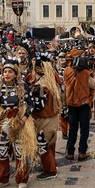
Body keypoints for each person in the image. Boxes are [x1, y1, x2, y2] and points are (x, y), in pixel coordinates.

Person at [0, 59, 36, 188]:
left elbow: (31, 105)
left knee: (20, 152)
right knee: (2, 151)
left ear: (15, 73)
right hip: (3, 123)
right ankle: (2, 179)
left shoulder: (22, 86)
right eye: (4, 72)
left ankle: (22, 179)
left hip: (18, 123)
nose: (6, 74)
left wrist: (22, 121)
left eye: (10, 72)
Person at [26, 53, 62, 181]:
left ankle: (50, 170)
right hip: (52, 118)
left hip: (43, 118)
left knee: (43, 145)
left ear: (36, 71)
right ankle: (52, 165)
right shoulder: (52, 80)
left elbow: (38, 105)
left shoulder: (40, 86)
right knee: (50, 143)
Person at [64, 53, 95, 161]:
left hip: (71, 104)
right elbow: (94, 85)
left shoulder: (67, 71)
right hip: (83, 103)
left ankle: (70, 152)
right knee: (84, 129)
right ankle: (82, 151)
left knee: (72, 129)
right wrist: (94, 75)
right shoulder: (86, 73)